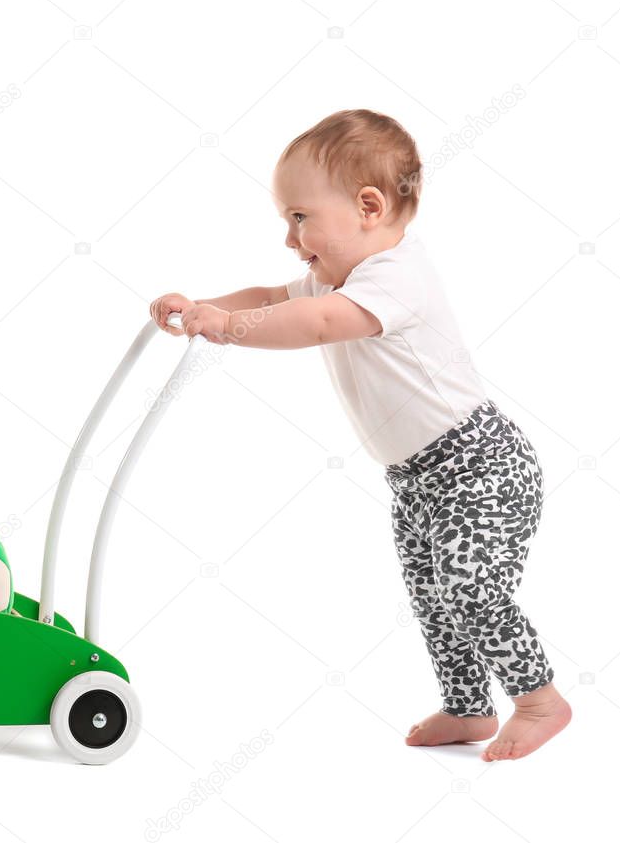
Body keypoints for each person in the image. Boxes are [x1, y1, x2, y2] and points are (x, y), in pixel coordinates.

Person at [149, 109, 571, 761]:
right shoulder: (335, 273)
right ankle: (467, 707)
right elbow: (270, 292)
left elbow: (317, 322)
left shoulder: (396, 275)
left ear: (368, 206)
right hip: (414, 477)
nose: (291, 238)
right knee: (431, 592)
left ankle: (539, 698)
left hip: (480, 464)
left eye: (299, 216)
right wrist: (204, 306)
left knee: (470, 582)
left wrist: (224, 328)